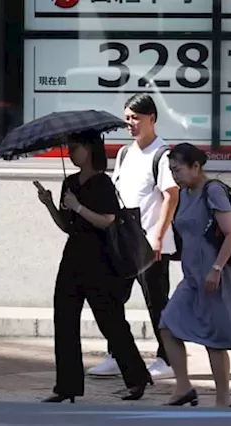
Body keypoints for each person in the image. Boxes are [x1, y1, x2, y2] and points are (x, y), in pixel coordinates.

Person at [37, 132, 152, 403]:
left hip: (100, 260)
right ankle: (66, 386)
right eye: (68, 147)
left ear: (89, 150)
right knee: (64, 318)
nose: (70, 152)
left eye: (74, 147)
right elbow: (67, 225)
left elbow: (107, 220)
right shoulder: (70, 182)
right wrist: (50, 205)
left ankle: (136, 378)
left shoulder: (102, 183)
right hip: (73, 257)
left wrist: (77, 207)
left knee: (110, 321)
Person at [87, 94, 179, 380]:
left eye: (136, 118)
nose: (131, 123)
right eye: (127, 118)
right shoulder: (126, 153)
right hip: (123, 240)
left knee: (157, 301)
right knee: (112, 298)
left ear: (152, 117)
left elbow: (170, 196)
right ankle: (116, 353)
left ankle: (167, 359)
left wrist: (159, 237)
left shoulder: (163, 155)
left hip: (150, 243)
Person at [159, 143, 231, 407]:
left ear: (196, 167)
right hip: (192, 277)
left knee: (215, 340)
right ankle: (184, 387)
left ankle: (223, 400)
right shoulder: (184, 194)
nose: (175, 175)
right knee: (168, 324)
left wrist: (216, 269)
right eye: (172, 171)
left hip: (214, 275)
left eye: (179, 169)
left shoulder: (213, 191)